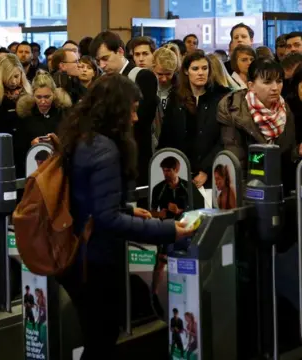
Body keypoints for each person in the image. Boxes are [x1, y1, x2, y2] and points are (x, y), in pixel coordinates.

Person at [57, 74, 194, 359]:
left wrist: (129, 209)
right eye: (130, 110)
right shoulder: (105, 149)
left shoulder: (81, 137)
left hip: (78, 252)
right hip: (94, 258)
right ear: (114, 111)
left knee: (96, 336)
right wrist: (167, 230)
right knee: (102, 339)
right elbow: (107, 219)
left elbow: (87, 199)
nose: (135, 118)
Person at [217, 59, 302, 186]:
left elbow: (283, 155)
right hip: (248, 187)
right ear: (251, 85)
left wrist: (297, 152)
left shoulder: (284, 109)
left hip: (277, 185)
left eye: (279, 81)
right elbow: (237, 163)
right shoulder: (234, 111)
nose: (275, 88)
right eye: (267, 82)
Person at [158, 50, 231, 197]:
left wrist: (206, 170)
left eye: (204, 68)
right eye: (195, 69)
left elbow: (224, 138)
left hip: (212, 173)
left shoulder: (221, 97)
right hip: (180, 172)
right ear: (186, 71)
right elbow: (167, 135)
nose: (200, 73)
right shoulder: (176, 97)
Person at [90, 31, 159, 186]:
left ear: (120, 52)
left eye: (105, 58)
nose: (101, 65)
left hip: (136, 159)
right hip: (108, 159)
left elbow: (141, 121)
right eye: (98, 61)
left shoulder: (143, 77)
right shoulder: (101, 82)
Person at [15, 71, 72, 177]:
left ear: (54, 94)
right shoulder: (25, 115)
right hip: (33, 169)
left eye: (47, 97)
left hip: (59, 168)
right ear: (32, 95)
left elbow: (71, 143)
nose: (42, 101)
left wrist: (56, 143)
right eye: (39, 97)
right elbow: (17, 148)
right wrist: (31, 146)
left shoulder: (64, 114)